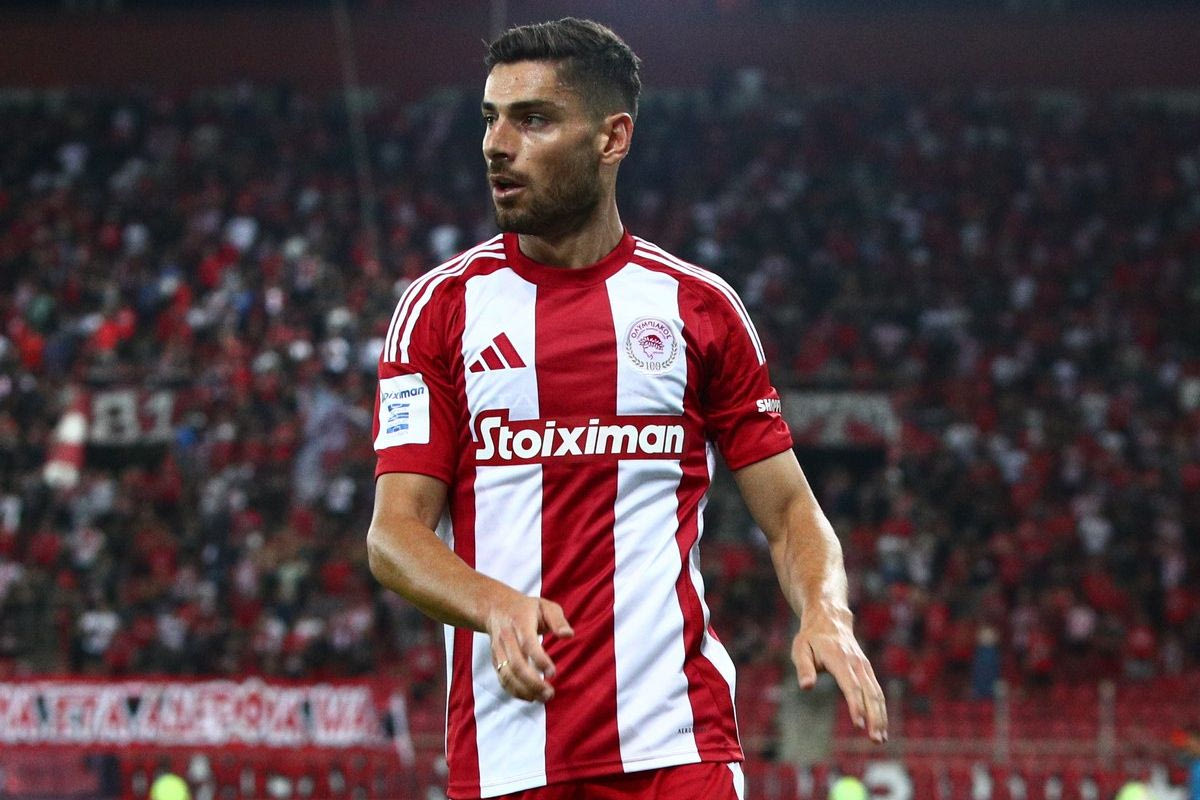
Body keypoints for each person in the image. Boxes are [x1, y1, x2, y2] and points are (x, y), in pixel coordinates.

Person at [366, 17, 887, 800]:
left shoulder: (699, 309)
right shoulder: (438, 310)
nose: (496, 145)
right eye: (490, 119)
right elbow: (393, 535)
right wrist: (494, 604)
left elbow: (790, 515)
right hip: (510, 755)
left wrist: (825, 610)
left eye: (532, 120)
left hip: (678, 746)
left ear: (613, 138)